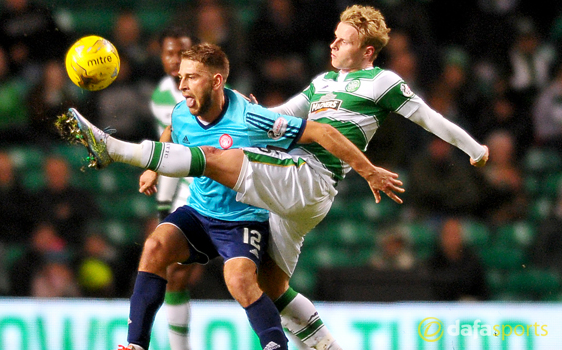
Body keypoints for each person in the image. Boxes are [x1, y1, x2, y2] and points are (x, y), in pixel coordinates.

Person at [61, 5, 489, 348]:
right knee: (273, 286)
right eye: (335, 36)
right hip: (298, 195)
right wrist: (255, 111)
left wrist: (473, 149)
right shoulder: (324, 82)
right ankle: (324, 346)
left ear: (368, 51)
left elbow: (431, 119)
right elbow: (285, 115)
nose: (333, 43)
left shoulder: (383, 83)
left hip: (311, 176)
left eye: (344, 40)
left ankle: (113, 148)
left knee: (211, 157)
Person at [148, 27, 199, 350]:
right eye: (169, 53)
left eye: (182, 53)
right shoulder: (162, 96)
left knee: (251, 277)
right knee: (175, 273)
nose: (175, 60)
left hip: (226, 186)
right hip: (188, 190)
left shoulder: (206, 86)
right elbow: (172, 150)